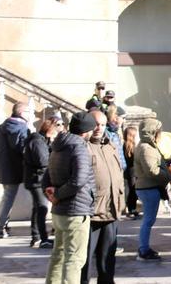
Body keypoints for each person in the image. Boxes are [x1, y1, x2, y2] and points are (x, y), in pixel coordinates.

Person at [44, 111, 96, 284]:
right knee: (74, 259)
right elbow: (79, 180)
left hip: (60, 211)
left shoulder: (59, 145)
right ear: (85, 131)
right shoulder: (79, 147)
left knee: (58, 255)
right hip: (75, 210)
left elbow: (47, 176)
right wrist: (57, 194)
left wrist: (52, 193)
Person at [82, 110, 125, 284]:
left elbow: (119, 173)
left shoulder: (111, 145)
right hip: (92, 212)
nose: (99, 128)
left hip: (111, 209)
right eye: (95, 124)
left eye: (102, 124)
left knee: (108, 258)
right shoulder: (83, 146)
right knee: (84, 259)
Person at [0, 101, 32, 238]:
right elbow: (23, 149)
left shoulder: (0, 127)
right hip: (15, 169)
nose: (30, 114)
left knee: (7, 198)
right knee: (8, 199)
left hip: (2, 169)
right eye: (28, 111)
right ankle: (0, 228)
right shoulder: (23, 128)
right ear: (22, 113)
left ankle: (4, 224)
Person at [132, 118, 171, 261]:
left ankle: (144, 248)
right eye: (159, 131)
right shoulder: (145, 148)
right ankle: (143, 250)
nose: (161, 134)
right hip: (148, 188)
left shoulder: (147, 146)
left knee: (149, 220)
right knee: (148, 220)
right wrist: (167, 175)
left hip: (149, 187)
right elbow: (152, 171)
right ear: (152, 132)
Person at [23, 115, 60, 249]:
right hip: (36, 180)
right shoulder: (38, 142)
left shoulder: (41, 141)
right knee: (42, 208)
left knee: (38, 209)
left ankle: (37, 237)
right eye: (55, 131)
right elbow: (42, 161)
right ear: (50, 130)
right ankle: (40, 238)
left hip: (38, 179)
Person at [120, 125, 140, 219]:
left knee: (130, 191)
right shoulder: (131, 146)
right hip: (132, 172)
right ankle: (132, 209)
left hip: (128, 171)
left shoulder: (124, 145)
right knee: (132, 191)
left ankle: (131, 209)